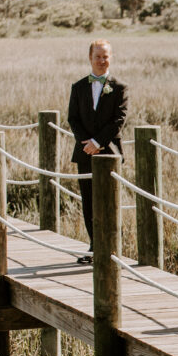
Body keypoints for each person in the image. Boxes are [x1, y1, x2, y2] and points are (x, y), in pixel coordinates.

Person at [67, 39, 128, 264]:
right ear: (90, 58)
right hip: (85, 153)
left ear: (110, 57)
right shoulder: (78, 87)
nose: (102, 61)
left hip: (109, 153)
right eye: (97, 57)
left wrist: (97, 142)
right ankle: (94, 248)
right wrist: (87, 143)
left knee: (110, 201)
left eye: (105, 56)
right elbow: (72, 118)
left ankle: (113, 249)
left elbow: (119, 120)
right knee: (89, 201)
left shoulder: (120, 87)